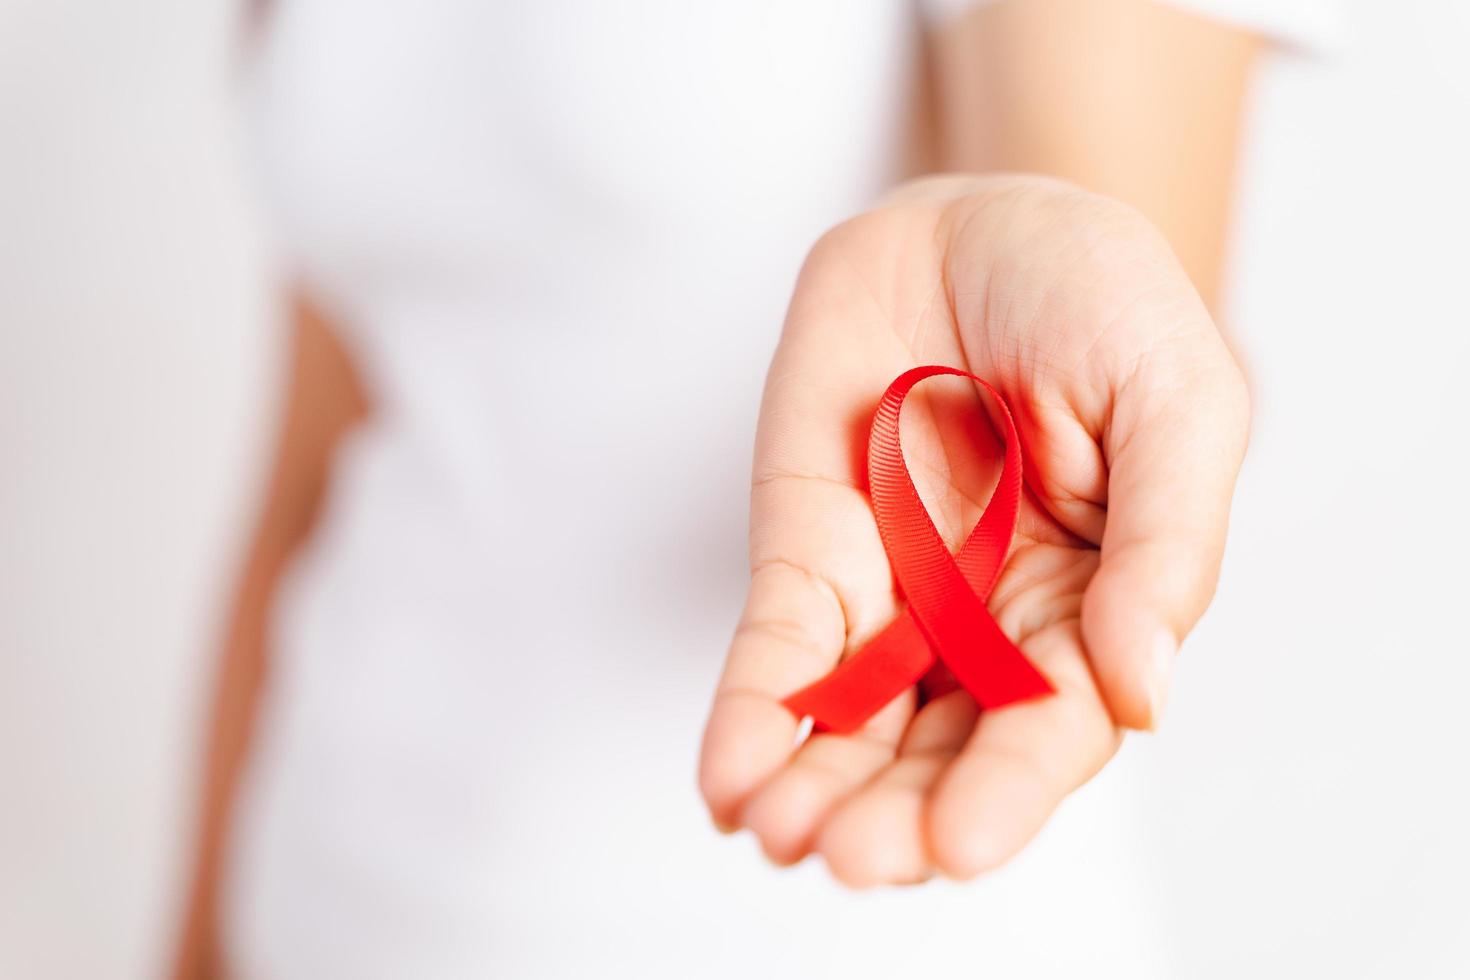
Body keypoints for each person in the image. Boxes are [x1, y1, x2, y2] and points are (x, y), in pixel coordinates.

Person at [172, 1, 1322, 976]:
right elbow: (315, 464)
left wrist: (1045, 261)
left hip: (812, 923)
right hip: (322, 900)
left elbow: (1110, 271)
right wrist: (192, 935)